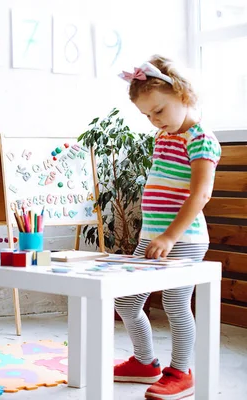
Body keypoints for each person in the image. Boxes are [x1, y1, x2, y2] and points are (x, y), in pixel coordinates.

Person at [114, 55, 221, 400]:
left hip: (184, 239)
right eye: (147, 116)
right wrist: (157, 235)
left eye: (158, 111)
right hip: (153, 237)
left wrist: (170, 235)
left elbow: (201, 193)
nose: (153, 122)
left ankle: (181, 371)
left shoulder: (201, 138)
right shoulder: (164, 136)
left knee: (176, 303)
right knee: (128, 301)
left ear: (183, 96)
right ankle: (145, 362)